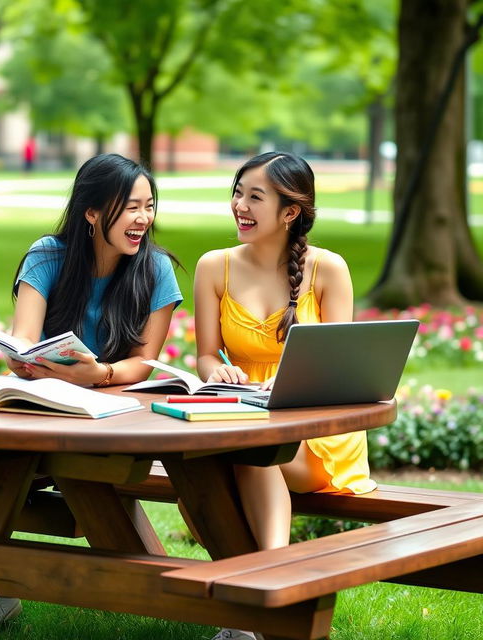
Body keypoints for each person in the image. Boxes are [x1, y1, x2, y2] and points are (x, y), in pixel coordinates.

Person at [0, 153, 183, 638]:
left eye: (148, 206)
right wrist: (22, 359)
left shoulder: (156, 271)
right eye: (129, 207)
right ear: (90, 212)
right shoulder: (48, 255)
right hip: (36, 410)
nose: (143, 219)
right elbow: (23, 338)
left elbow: (142, 363)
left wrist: (98, 374)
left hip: (107, 424)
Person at [193, 151, 376, 640]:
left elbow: (342, 366)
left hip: (314, 433)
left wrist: (291, 383)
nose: (240, 206)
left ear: (290, 211)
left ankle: (268, 587)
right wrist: (223, 374)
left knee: (252, 451)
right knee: (202, 460)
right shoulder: (214, 266)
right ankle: (247, 609)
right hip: (242, 413)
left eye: (255, 197)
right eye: (237, 193)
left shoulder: (327, 269)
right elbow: (206, 356)